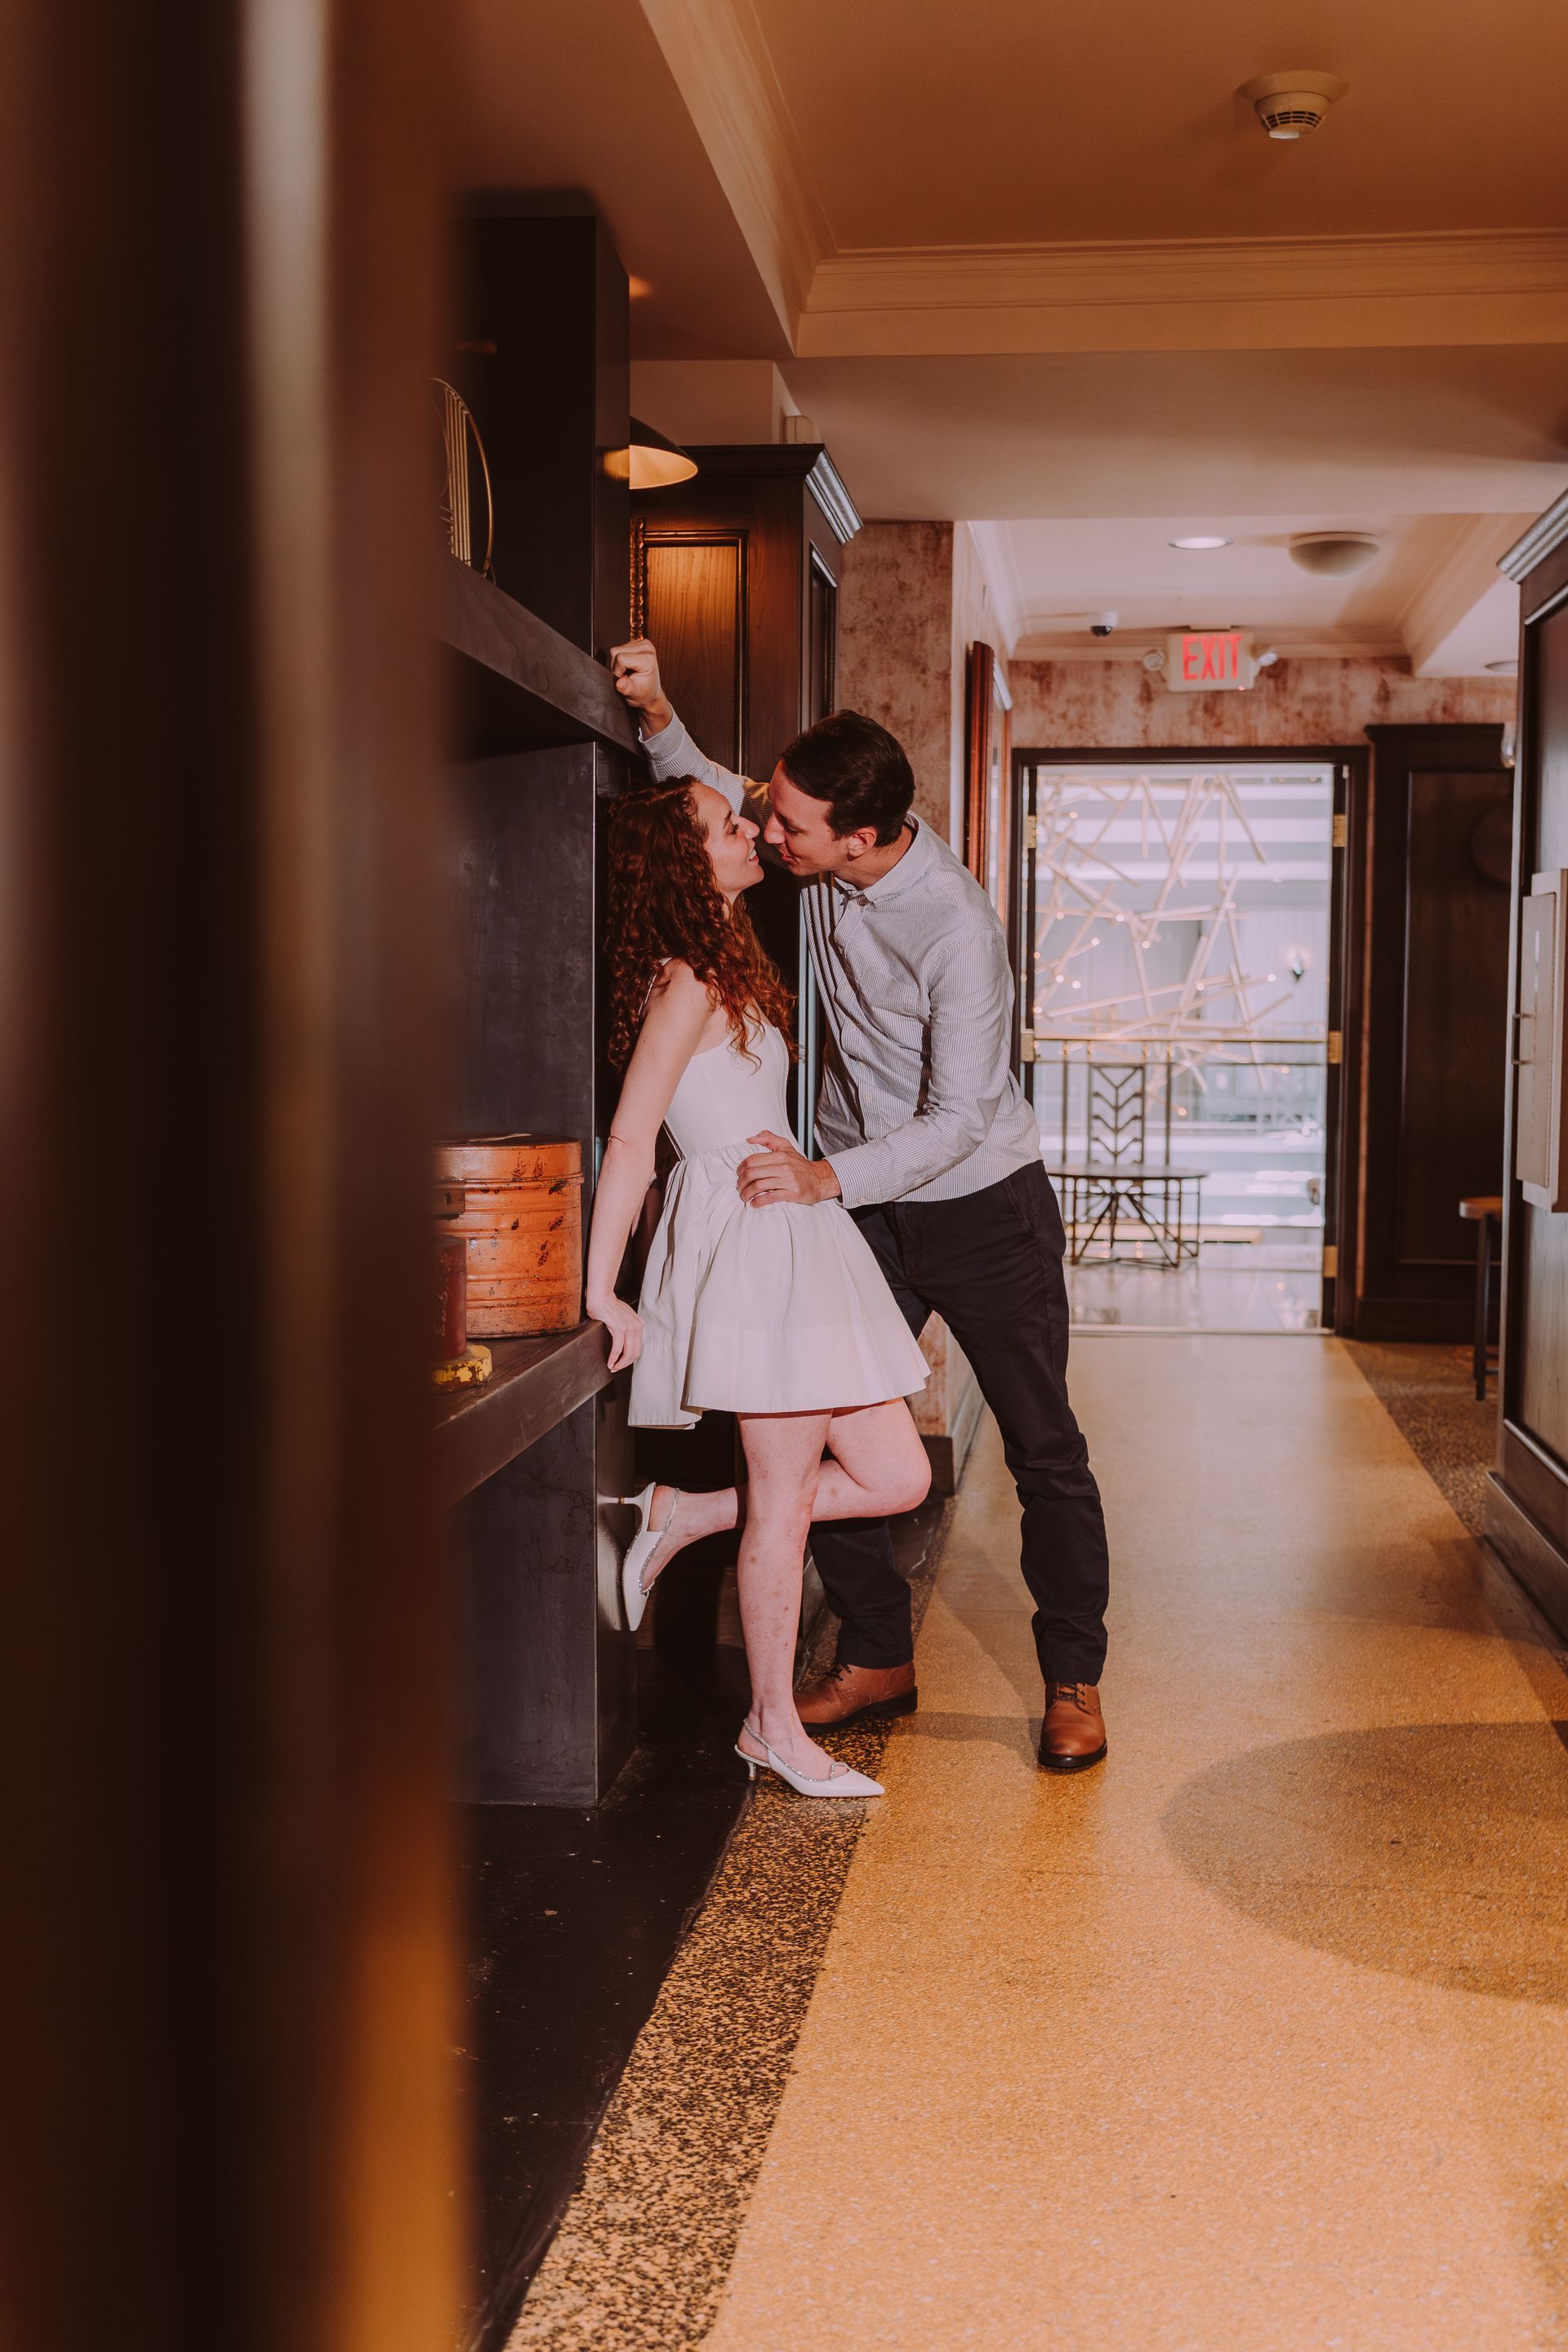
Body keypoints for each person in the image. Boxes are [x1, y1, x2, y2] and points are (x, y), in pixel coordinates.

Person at [607, 640, 1111, 1774]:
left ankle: (1073, 1673)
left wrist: (827, 1178)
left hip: (978, 1205)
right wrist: (653, 715)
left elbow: (965, 1121)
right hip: (848, 1206)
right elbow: (712, 794)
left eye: (788, 828)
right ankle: (878, 1652)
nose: (767, 834)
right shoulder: (810, 836)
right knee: (828, 1412)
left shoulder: (959, 934)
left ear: (866, 842)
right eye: (767, 815)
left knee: (1046, 1450)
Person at [584, 769, 933, 1799]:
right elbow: (635, 1136)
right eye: (726, 826)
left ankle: (684, 1514)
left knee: (898, 1475)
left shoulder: (728, 962)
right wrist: (608, 1290)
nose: (751, 830)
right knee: (781, 1505)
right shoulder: (685, 976)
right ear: (683, 869)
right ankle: (772, 1726)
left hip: (798, 1234)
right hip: (750, 1245)